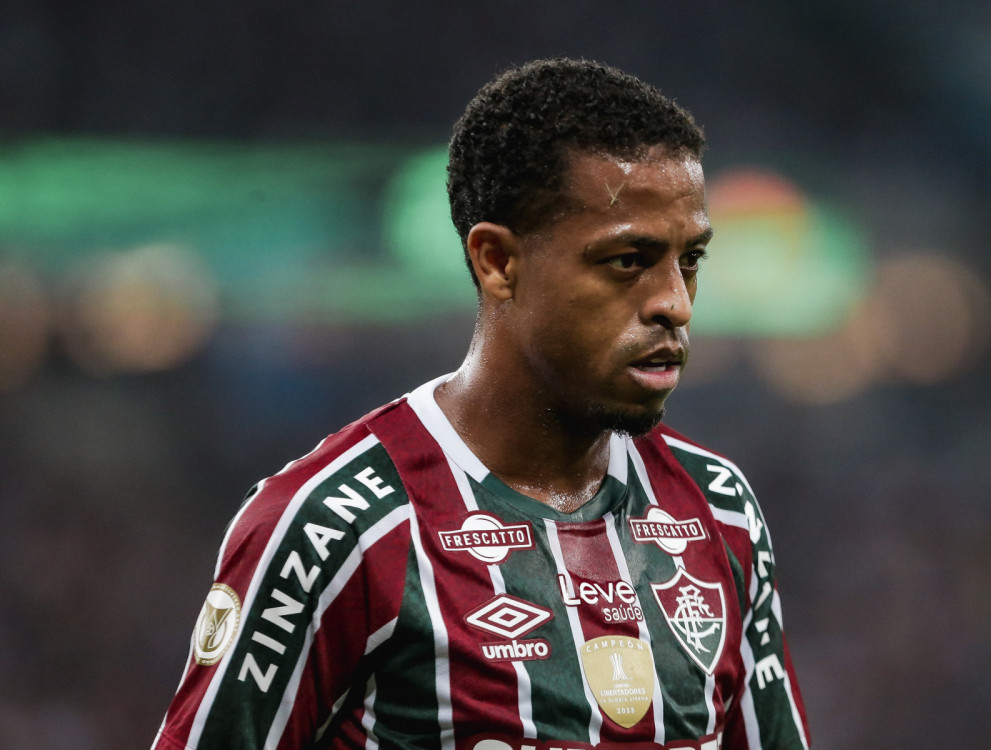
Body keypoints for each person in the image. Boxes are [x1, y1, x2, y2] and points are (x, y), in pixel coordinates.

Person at [153, 58, 810, 750]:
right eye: (627, 261)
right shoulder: (338, 530)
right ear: (498, 261)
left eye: (691, 261)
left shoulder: (719, 509)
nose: (673, 302)